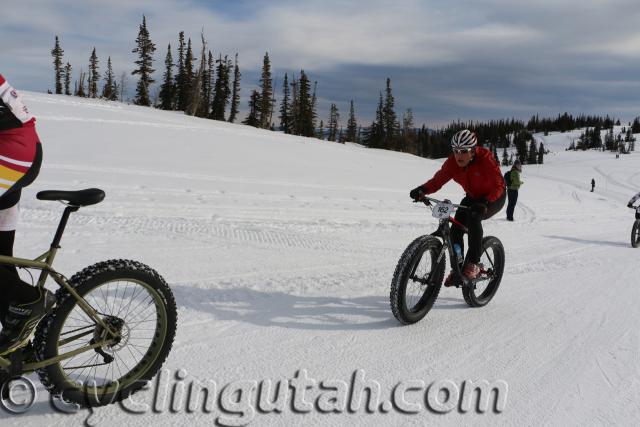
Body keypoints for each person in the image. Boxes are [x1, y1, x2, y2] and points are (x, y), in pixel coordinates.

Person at [0, 73, 53, 356]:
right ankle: (14, 356)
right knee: (2, 260)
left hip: (12, 152)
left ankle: (30, 299)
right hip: (20, 149)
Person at [409, 129, 506, 285]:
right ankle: (458, 268)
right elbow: (437, 181)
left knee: (474, 218)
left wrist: (486, 203)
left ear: (473, 151)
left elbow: (499, 185)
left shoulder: (486, 159)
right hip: (472, 197)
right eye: (455, 151)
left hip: (494, 197)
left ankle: (473, 263)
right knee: (455, 230)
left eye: (463, 151)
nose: (458, 155)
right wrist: (422, 190)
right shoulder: (452, 163)